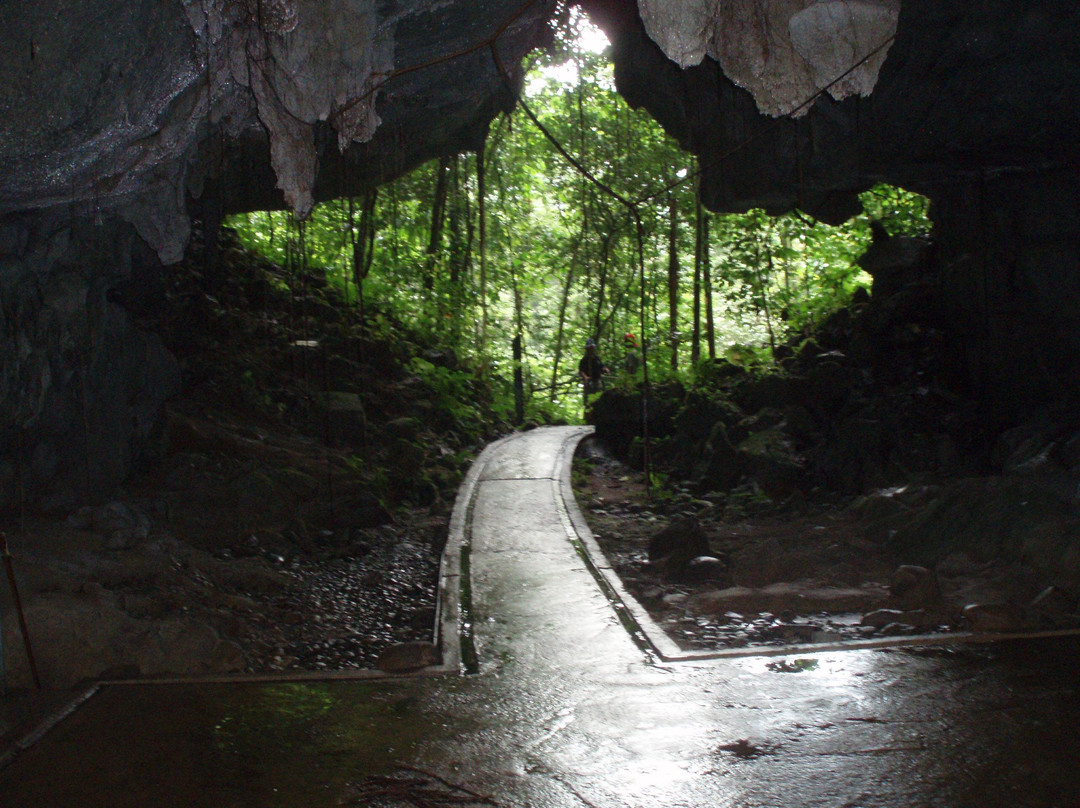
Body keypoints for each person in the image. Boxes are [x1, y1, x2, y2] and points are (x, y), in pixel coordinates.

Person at [578, 337, 606, 408]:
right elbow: (581, 371)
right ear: (586, 349)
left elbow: (602, 366)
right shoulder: (584, 360)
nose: (590, 350)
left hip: (597, 382)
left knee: (598, 402)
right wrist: (585, 377)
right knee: (588, 404)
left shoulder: (597, 358)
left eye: (592, 348)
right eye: (589, 348)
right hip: (588, 384)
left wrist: (605, 369)